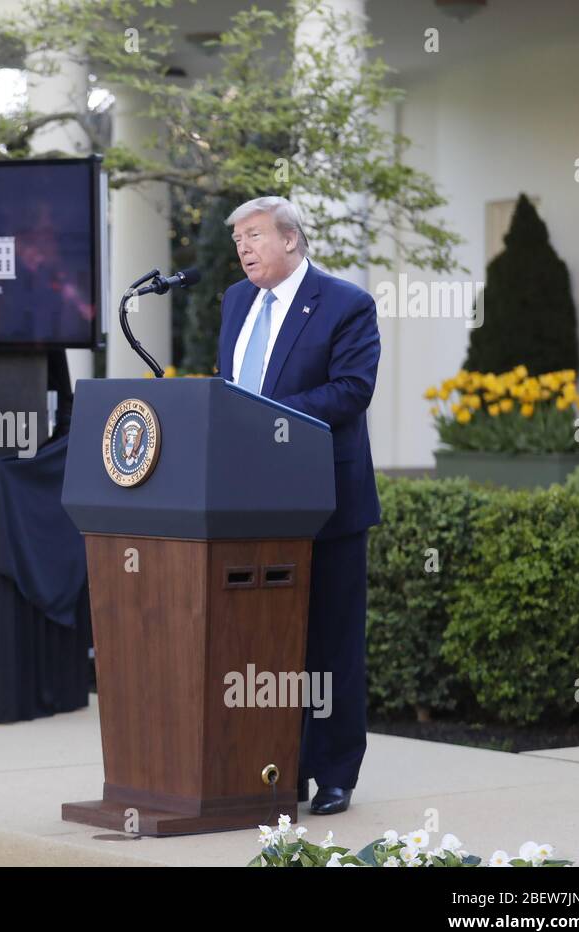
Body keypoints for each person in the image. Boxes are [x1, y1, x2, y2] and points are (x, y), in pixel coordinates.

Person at [216, 196, 382, 815]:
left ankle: (333, 772)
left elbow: (351, 390)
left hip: (325, 501)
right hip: (245, 501)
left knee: (329, 642)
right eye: (238, 242)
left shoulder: (346, 303)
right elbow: (230, 386)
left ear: (291, 239)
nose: (245, 249)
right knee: (260, 639)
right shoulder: (236, 301)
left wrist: (262, 417)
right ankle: (272, 765)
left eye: (254, 236)